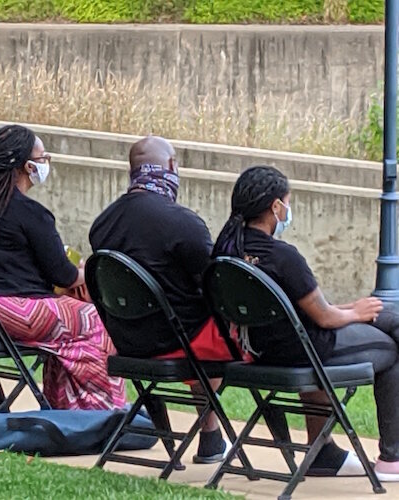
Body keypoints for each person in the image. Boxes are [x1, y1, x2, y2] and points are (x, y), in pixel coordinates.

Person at [213, 165, 399, 481]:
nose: (288, 210)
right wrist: (355, 313)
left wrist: (353, 309)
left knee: (385, 315)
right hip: (304, 350)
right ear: (276, 206)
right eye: (287, 203)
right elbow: (324, 317)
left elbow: (306, 309)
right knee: (392, 351)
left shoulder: (226, 252)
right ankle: (392, 459)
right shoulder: (283, 256)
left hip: (261, 350)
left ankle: (322, 452)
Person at [0, 124, 126, 410]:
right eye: (43, 158)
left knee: (67, 325)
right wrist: (90, 274)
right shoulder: (31, 213)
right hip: (2, 310)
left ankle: (69, 409)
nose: (46, 163)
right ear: (27, 167)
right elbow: (63, 275)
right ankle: (101, 411)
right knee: (93, 319)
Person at [89, 135, 239, 463]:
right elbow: (217, 284)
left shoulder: (102, 224)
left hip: (129, 342)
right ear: (172, 166)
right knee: (238, 329)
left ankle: (212, 438)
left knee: (196, 322)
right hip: (180, 342)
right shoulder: (182, 223)